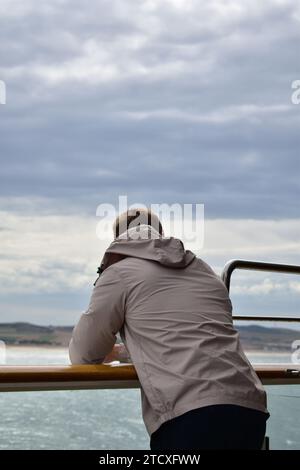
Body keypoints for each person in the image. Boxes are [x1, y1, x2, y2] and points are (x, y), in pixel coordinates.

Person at [69, 208, 270, 450]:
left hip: (191, 416)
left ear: (117, 239)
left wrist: (109, 352)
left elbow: (83, 354)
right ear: (160, 235)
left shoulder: (119, 274)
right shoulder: (205, 271)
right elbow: (182, 335)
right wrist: (123, 352)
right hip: (250, 410)